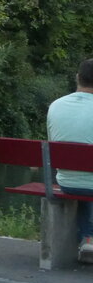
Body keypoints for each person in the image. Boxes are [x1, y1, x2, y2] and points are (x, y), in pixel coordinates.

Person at [46, 58, 93, 264]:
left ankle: (88, 237)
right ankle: (88, 237)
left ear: (77, 78)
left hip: (66, 182)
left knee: (84, 182)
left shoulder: (56, 105)